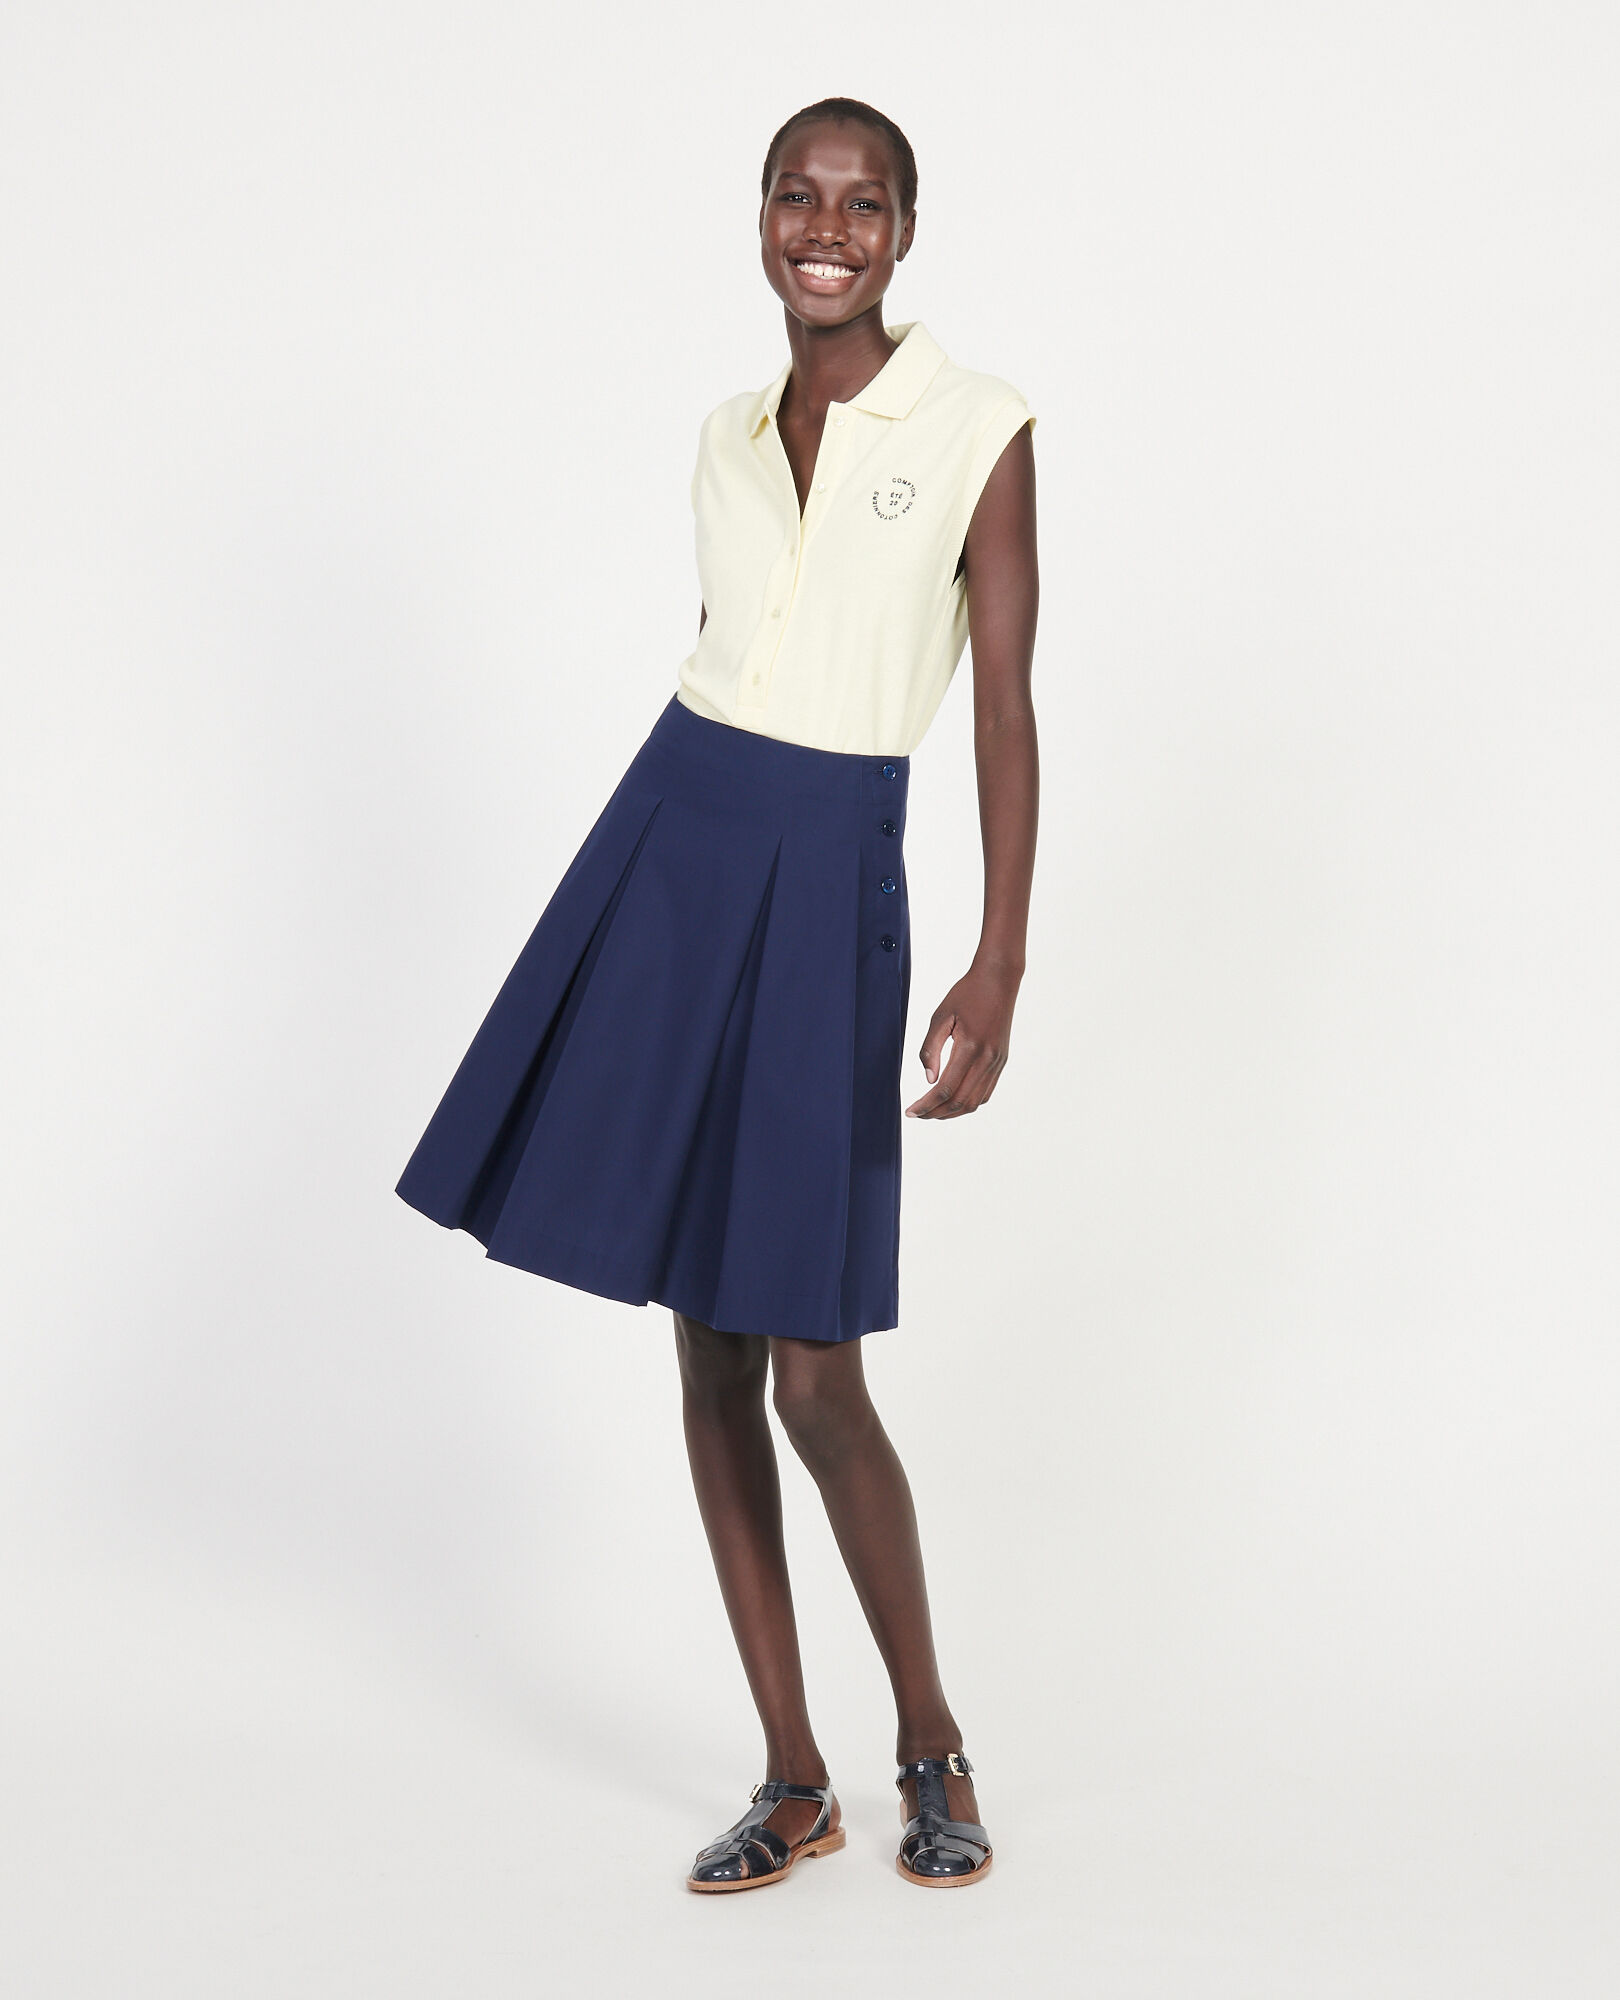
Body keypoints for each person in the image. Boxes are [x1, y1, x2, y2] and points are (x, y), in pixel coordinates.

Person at [396, 96, 1039, 1893]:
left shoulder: (981, 428)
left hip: (835, 869)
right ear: (761, 220)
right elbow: (728, 654)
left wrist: (998, 953)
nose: (825, 226)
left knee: (815, 1375)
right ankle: (794, 1773)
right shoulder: (724, 434)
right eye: (796, 196)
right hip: (678, 844)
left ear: (906, 231)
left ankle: (930, 1740)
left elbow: (998, 703)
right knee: (705, 1341)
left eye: (863, 202)